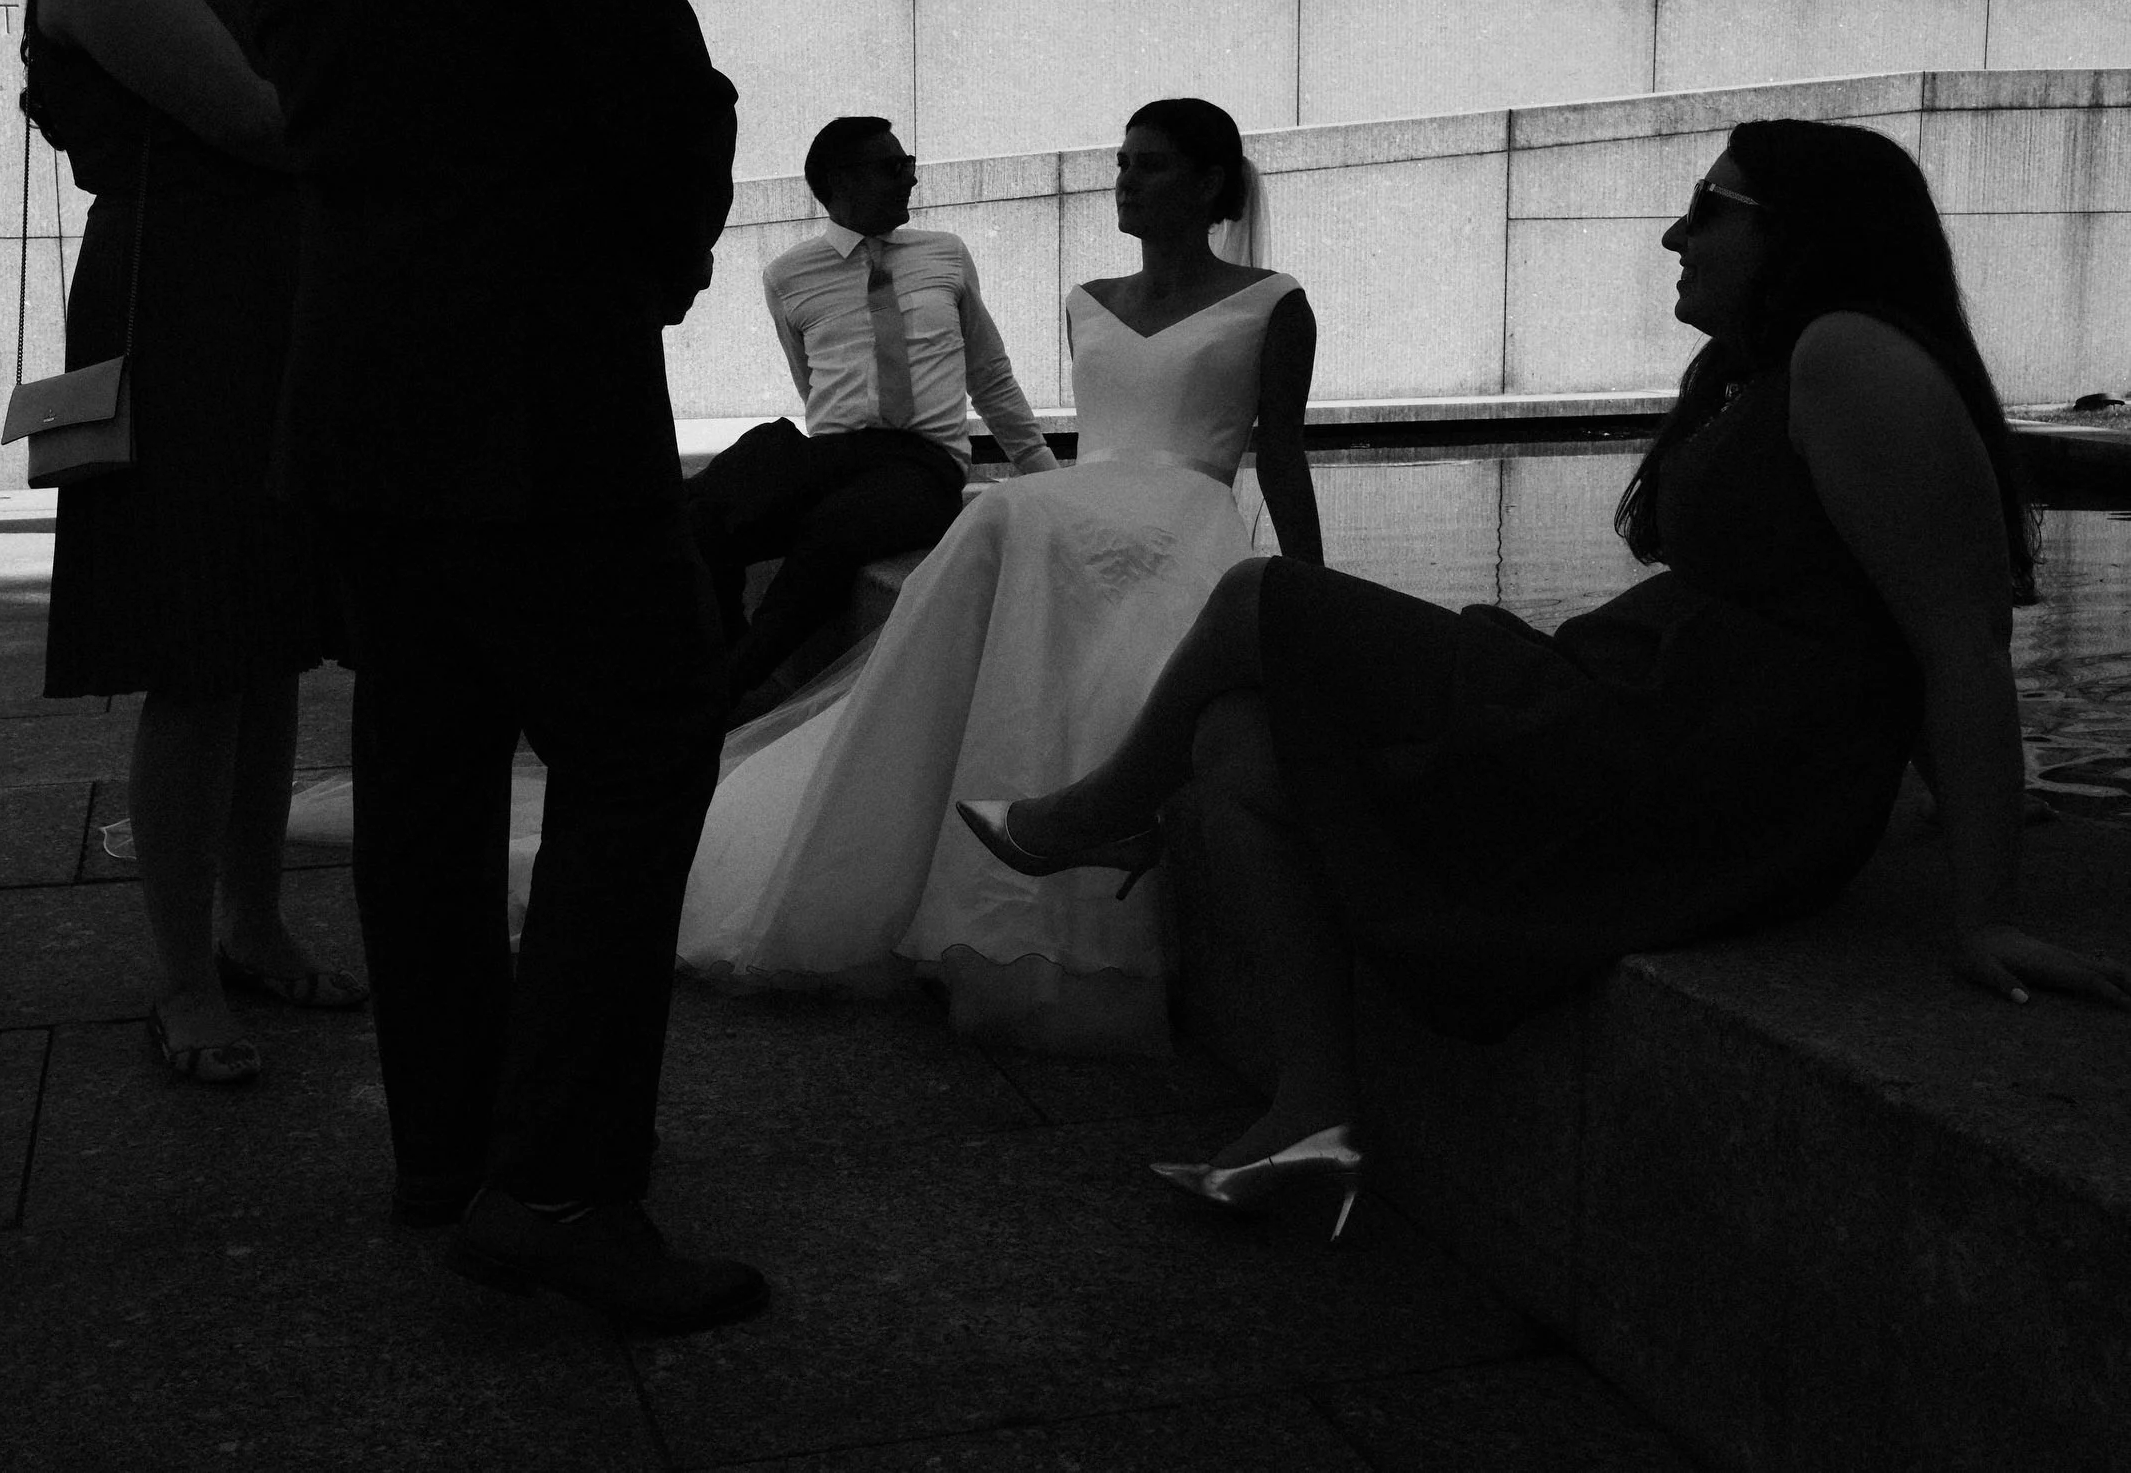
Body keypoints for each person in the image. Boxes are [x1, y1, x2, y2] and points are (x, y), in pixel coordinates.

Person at [962, 119, 2131, 1236]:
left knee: (1261, 600)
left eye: (1707, 208)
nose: (1676, 237)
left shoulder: (1851, 355)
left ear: (1800, 234)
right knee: (1233, 749)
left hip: (1697, 754)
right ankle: (1311, 1115)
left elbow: (1951, 635)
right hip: (1648, 708)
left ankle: (1098, 817)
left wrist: (1985, 907)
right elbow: (1876, 606)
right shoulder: (1768, 368)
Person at [247, 0, 766, 1333]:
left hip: (358, 376)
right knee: (643, 743)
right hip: (530, 376)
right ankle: (555, 1187)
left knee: (428, 762)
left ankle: (452, 1146)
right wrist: (662, 257)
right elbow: (656, 93)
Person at [678, 99, 1321, 1055]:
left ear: (1212, 183)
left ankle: (1070, 831)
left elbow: (1281, 458)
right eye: (1123, 162)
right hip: (1081, 497)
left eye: (1149, 166)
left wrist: (1309, 590)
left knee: (1011, 521)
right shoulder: (1089, 299)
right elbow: (1091, 441)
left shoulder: (1274, 301)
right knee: (1004, 516)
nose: (1125, 182)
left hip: (1188, 508)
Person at [26, 0, 357, 1086]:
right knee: (198, 647)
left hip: (263, 309)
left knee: (269, 640)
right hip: (184, 313)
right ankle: (184, 977)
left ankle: (256, 923)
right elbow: (261, 118)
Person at [688, 116, 1061, 720]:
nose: (910, 177)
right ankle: (718, 661)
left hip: (924, 462)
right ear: (840, 182)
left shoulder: (946, 253)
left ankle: (722, 694)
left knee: (837, 530)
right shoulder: (788, 274)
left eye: (908, 161)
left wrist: (1044, 475)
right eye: (893, 167)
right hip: (836, 451)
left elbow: (988, 374)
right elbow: (810, 383)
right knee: (706, 506)